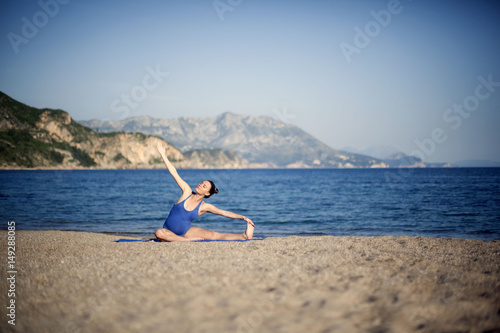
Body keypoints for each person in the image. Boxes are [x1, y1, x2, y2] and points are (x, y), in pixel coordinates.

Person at [154, 140, 255, 242]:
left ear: (207, 193)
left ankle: (243, 236)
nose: (200, 185)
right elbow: (174, 173)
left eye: (204, 186)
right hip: (168, 231)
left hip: (186, 231)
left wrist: (243, 217)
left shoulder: (204, 207)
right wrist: (163, 155)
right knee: (159, 233)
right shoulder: (186, 192)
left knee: (214, 235)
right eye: (201, 183)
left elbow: (224, 213)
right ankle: (186, 240)